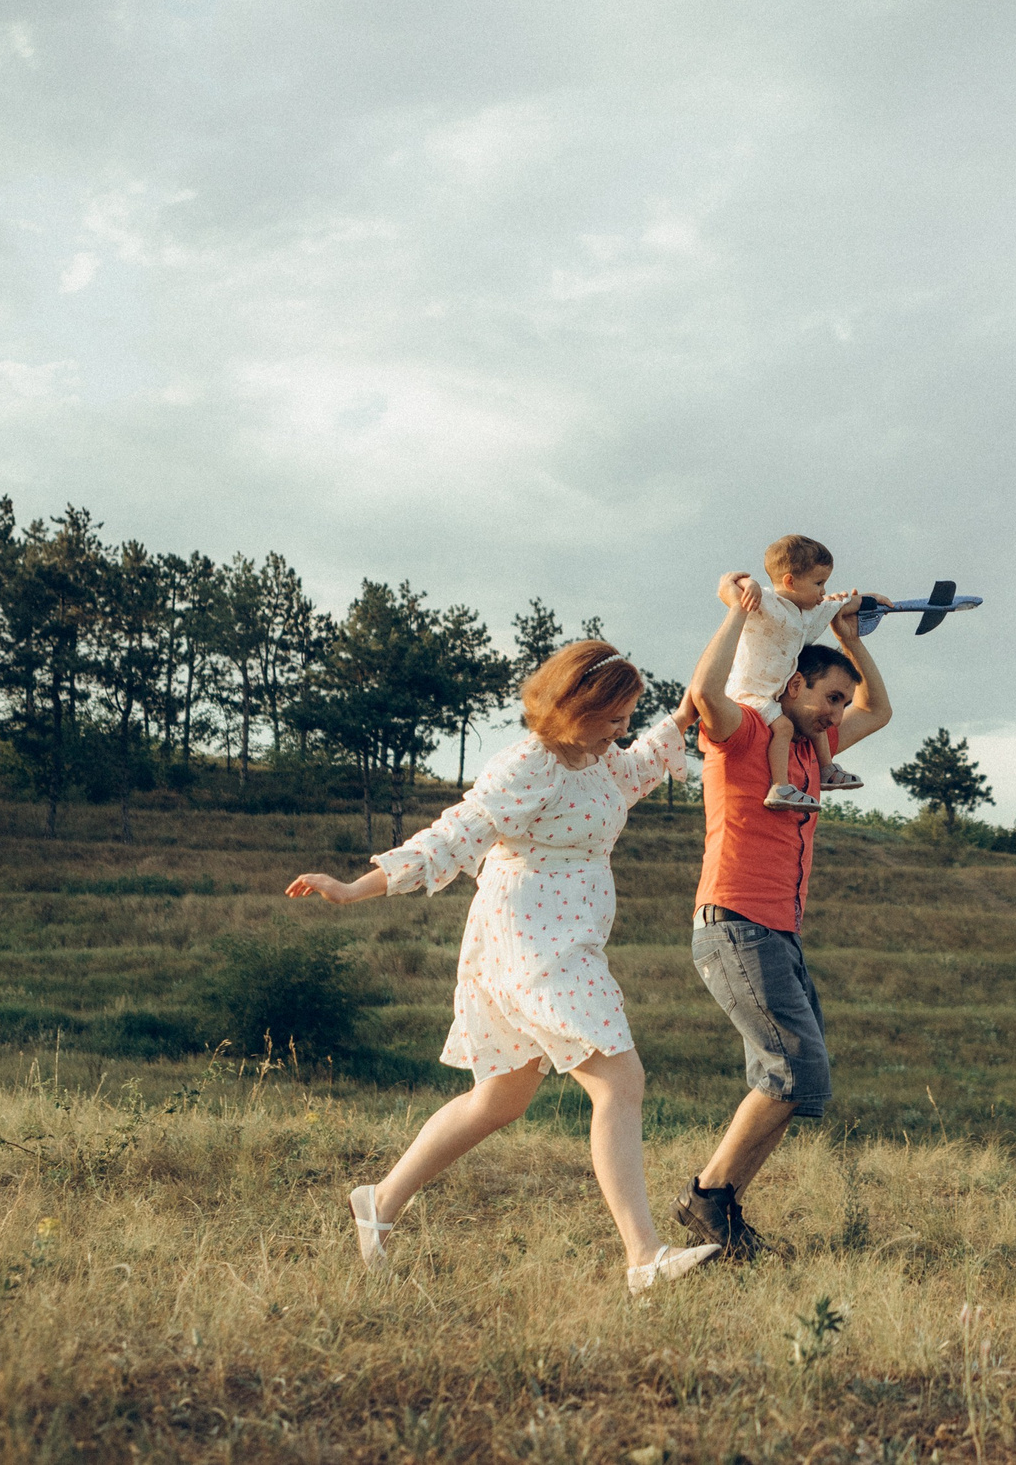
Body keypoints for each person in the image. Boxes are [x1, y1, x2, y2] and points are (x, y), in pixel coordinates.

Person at [284, 640, 719, 1293]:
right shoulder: (525, 768)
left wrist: (739, 614)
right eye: (612, 716)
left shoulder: (605, 764)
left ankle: (378, 1199)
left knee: (499, 1099)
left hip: (568, 937)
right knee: (619, 1079)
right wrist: (354, 886)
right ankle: (644, 1256)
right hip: (529, 941)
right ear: (573, 707)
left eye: (628, 715)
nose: (623, 728)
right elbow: (453, 836)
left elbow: (674, 725)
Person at [673, 573, 894, 1258]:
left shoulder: (806, 750)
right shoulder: (746, 732)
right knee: (795, 1069)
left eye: (839, 701)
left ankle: (719, 1207)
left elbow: (879, 710)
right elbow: (703, 694)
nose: (838, 712)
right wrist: (742, 615)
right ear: (791, 685)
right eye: (828, 697)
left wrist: (849, 637)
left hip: (778, 929)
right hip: (736, 920)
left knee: (802, 1081)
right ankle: (709, 1200)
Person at [721, 534, 884, 812]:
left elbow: (841, 606)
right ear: (789, 581)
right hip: (751, 692)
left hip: (778, 692)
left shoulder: (808, 613)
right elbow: (735, 587)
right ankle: (780, 786)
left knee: (813, 720)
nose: (823, 591)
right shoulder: (766, 602)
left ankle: (826, 769)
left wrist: (872, 600)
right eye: (818, 583)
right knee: (783, 726)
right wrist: (747, 584)